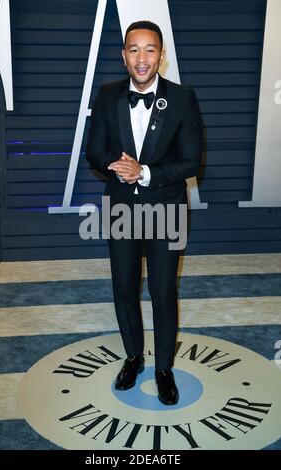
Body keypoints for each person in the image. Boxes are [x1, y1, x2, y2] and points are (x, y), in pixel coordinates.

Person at [86, 21, 202, 405]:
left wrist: (146, 173)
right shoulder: (106, 96)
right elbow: (94, 150)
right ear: (123, 56)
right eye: (133, 50)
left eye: (149, 49)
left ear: (161, 55)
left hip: (166, 207)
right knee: (123, 287)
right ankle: (134, 356)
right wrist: (114, 165)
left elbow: (190, 163)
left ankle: (164, 368)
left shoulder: (183, 99)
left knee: (163, 291)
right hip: (120, 207)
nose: (141, 58)